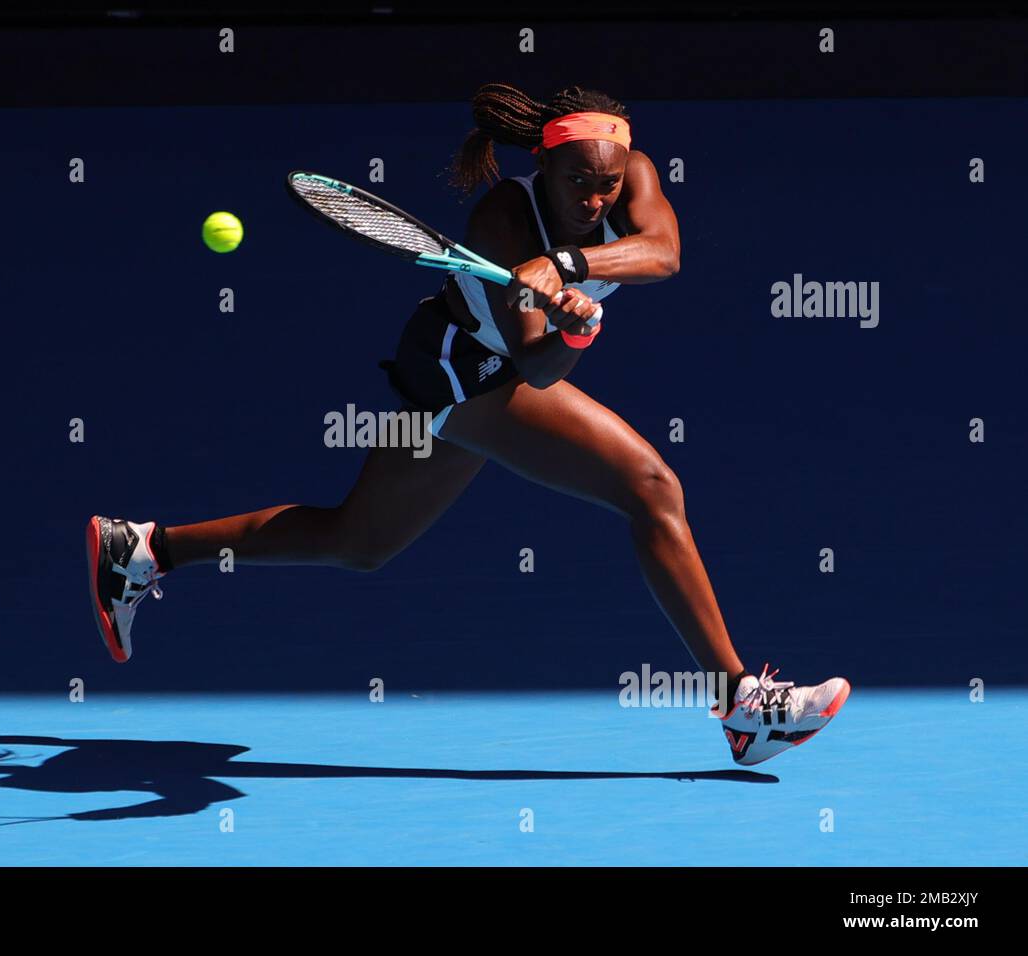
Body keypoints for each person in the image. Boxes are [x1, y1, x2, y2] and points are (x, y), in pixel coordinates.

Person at [86, 82, 849, 766]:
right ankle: (743, 705)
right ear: (543, 170)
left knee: (358, 543)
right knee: (650, 487)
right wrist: (574, 331)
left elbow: (665, 252)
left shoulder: (632, 180)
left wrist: (573, 272)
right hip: (461, 368)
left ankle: (145, 549)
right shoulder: (501, 220)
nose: (594, 200)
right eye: (578, 183)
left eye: (606, 184)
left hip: (468, 366)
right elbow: (539, 370)